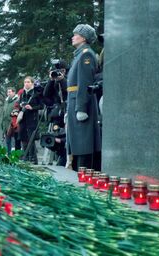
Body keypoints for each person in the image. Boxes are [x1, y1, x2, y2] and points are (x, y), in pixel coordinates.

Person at [66, 24, 100, 170]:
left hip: (80, 103)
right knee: (77, 142)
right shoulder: (79, 55)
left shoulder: (86, 54)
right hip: (74, 101)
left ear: (84, 38)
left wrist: (81, 108)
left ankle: (84, 175)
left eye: (76, 34)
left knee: (83, 142)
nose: (73, 37)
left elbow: (85, 82)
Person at [42, 60, 68, 166]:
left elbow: (68, 91)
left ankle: (65, 158)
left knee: (66, 137)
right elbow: (46, 95)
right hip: (57, 113)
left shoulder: (69, 78)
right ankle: (61, 157)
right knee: (55, 137)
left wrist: (62, 80)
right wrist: (51, 80)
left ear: (65, 70)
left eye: (61, 71)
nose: (58, 73)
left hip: (67, 111)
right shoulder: (55, 80)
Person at [18, 76, 43, 164]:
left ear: (32, 83)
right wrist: (21, 106)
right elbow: (19, 105)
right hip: (23, 119)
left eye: (28, 82)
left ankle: (33, 159)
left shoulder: (36, 93)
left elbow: (41, 106)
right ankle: (26, 157)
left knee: (31, 139)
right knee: (23, 138)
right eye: (25, 82)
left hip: (32, 119)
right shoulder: (22, 93)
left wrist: (32, 107)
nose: (26, 84)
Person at [0, 87, 19, 152]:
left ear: (14, 92)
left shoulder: (17, 101)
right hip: (5, 124)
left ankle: (17, 155)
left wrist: (13, 122)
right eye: (7, 92)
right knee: (7, 141)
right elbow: (4, 113)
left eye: (10, 92)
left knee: (16, 141)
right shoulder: (6, 101)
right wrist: (2, 123)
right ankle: (9, 154)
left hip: (13, 124)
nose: (8, 93)